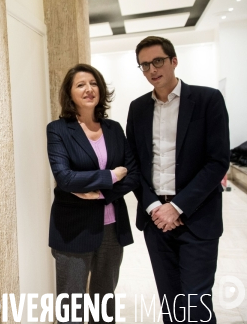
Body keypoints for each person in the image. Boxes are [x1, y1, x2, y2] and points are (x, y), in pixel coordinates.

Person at [126, 36, 230, 323]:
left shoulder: (207, 100)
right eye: (144, 65)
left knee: (195, 305)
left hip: (197, 219)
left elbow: (218, 161)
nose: (152, 69)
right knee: (171, 306)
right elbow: (134, 164)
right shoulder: (138, 108)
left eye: (157, 61)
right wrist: (154, 208)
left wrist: (178, 207)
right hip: (156, 221)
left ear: (173, 61)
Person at [47, 64, 139, 323]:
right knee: (71, 307)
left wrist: (98, 193)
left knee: (104, 304)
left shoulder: (114, 128)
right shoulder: (58, 130)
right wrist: (110, 176)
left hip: (112, 227)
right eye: (80, 84)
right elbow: (65, 177)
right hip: (73, 228)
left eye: (94, 83)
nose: (89, 89)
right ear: (70, 93)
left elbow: (132, 174)